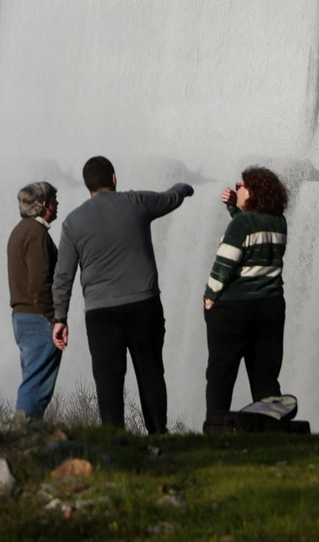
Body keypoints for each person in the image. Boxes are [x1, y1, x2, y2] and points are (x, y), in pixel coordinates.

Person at [51, 156, 193, 433]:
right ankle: (158, 435)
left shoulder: (72, 222)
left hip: (100, 313)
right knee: (150, 372)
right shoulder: (136, 202)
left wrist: (60, 317)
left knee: (108, 380)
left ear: (86, 185)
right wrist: (184, 186)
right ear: (114, 178)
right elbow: (170, 199)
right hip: (144, 305)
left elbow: (63, 275)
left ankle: (115, 439)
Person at [202, 165, 289, 417]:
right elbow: (252, 233)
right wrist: (233, 208)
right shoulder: (278, 221)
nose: (237, 189)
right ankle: (270, 427)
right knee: (265, 376)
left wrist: (209, 297)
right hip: (270, 307)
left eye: (241, 187)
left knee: (221, 373)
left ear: (253, 192)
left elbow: (224, 265)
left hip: (234, 309)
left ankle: (216, 428)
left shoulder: (243, 223)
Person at [7, 181, 62, 418]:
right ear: (45, 206)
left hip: (23, 317)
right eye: (54, 200)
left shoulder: (20, 231)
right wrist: (54, 318)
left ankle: (23, 432)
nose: (58, 204)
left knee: (32, 378)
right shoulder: (36, 234)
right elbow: (39, 284)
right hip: (38, 318)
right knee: (36, 386)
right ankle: (23, 435)